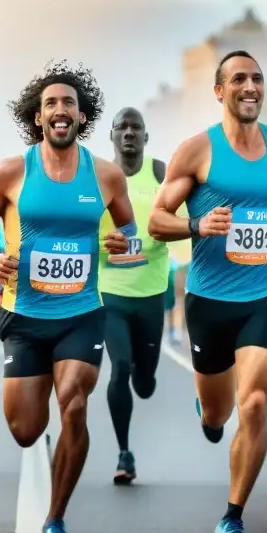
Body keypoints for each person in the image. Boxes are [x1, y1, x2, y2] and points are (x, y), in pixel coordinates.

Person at [148, 50, 267, 533]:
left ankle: (233, 513)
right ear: (219, 91)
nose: (250, 86)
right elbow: (157, 221)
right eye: (239, 79)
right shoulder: (197, 151)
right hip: (210, 299)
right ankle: (210, 410)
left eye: (257, 79)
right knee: (219, 414)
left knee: (255, 403)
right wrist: (197, 224)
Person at [0, 61, 134, 533]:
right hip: (24, 314)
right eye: (50, 105)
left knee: (75, 403)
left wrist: (122, 243)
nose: (60, 111)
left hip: (82, 313)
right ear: (38, 118)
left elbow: (127, 229)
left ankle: (56, 516)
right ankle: (40, 432)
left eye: (68, 104)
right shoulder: (8, 171)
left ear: (82, 117)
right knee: (24, 429)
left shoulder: (104, 176)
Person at [97, 107, 172, 485]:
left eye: (136, 127)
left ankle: (148, 375)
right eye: (122, 127)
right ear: (111, 135)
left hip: (151, 294)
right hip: (110, 294)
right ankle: (124, 452)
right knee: (120, 367)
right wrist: (102, 246)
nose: (128, 132)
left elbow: (183, 218)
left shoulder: (161, 173)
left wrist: (169, 232)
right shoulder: (98, 178)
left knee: (144, 382)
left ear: (146, 138)